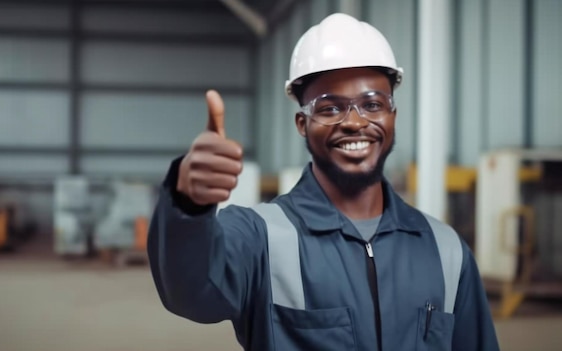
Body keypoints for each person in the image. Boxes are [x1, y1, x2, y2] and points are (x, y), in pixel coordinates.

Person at [148, 13, 499, 351]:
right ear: (302, 123)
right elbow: (190, 293)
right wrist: (187, 204)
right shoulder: (260, 238)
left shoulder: (446, 250)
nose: (355, 122)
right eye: (330, 108)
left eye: (373, 104)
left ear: (392, 115)